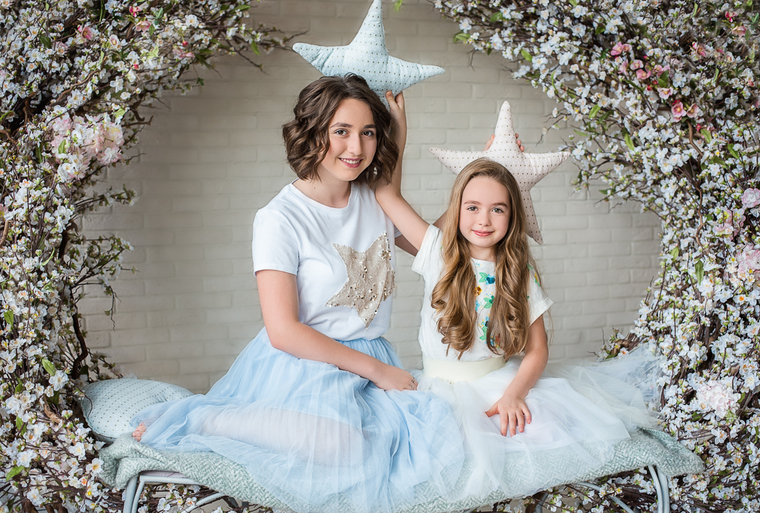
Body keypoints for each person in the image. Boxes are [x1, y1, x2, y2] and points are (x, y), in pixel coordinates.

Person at [130, 74, 465, 513]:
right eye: (341, 131)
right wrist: (379, 373)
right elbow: (283, 330)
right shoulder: (280, 218)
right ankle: (206, 416)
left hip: (371, 360)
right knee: (347, 449)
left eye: (368, 133)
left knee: (418, 443)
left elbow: (436, 249)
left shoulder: (375, 198)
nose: (356, 147)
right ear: (313, 131)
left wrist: (478, 186)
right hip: (305, 364)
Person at [375, 138, 660, 500]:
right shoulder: (437, 252)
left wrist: (514, 395)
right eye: (472, 207)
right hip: (438, 393)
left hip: (500, 385)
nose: (483, 219)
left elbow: (537, 350)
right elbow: (386, 193)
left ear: (512, 216)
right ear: (456, 209)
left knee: (540, 438)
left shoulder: (519, 271)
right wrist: (400, 132)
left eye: (497, 209)